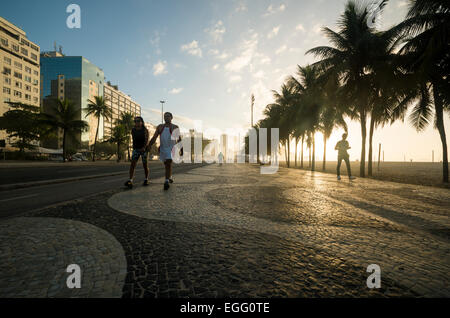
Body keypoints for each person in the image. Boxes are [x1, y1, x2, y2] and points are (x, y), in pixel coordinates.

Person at [148, 112, 182, 190]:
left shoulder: (175, 127)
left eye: (168, 116)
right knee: (166, 164)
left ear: (171, 117)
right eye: (165, 116)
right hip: (163, 148)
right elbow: (154, 137)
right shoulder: (160, 127)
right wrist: (149, 145)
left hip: (172, 148)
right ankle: (169, 176)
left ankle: (166, 181)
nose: (166, 118)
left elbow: (179, 139)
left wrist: (181, 150)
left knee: (168, 163)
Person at [124, 116, 150, 188]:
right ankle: (130, 180)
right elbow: (134, 139)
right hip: (136, 149)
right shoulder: (133, 130)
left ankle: (146, 179)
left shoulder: (145, 130)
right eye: (135, 121)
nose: (136, 122)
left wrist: (144, 148)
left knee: (145, 165)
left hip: (144, 149)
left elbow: (147, 140)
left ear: (142, 122)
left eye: (138, 121)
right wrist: (134, 148)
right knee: (132, 165)